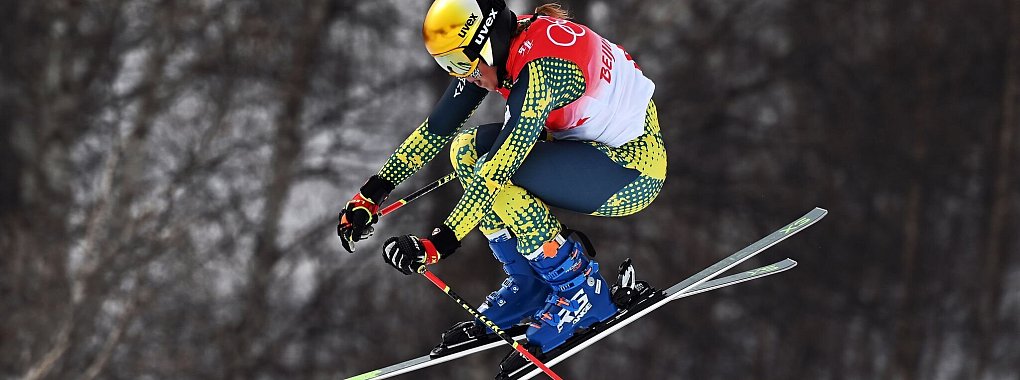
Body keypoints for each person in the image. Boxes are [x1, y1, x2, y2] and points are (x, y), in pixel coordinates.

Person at [338, 0, 665, 362]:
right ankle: (530, 284)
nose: (460, 74)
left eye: (461, 63)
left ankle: (581, 292)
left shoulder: (540, 71)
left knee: (494, 173)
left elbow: (497, 170)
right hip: (589, 151)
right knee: (465, 149)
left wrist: (437, 244)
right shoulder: (506, 46)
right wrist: (372, 193)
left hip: (632, 171)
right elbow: (438, 128)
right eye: (447, 65)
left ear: (487, 42)